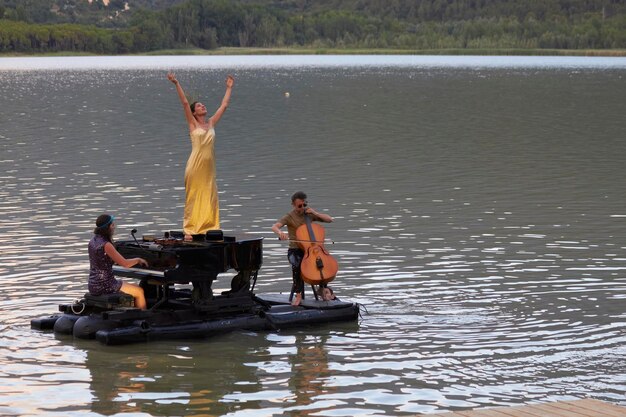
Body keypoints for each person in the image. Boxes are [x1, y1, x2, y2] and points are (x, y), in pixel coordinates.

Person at [167, 72, 234, 240]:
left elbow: (224, 105)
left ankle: (209, 227)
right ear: (194, 112)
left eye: (203, 105)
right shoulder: (192, 124)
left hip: (209, 168)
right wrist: (176, 83)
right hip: (195, 166)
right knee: (194, 195)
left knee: (210, 195)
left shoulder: (211, 123)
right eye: (199, 106)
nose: (203, 106)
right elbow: (184, 103)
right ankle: (190, 229)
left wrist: (229, 88)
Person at [271, 191, 334, 306]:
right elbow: (274, 226)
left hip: (311, 249)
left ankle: (322, 289)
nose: (302, 208)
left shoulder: (309, 213)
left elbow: (330, 219)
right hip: (295, 249)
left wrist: (315, 213)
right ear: (293, 205)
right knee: (298, 264)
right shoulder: (289, 217)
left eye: (304, 205)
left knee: (321, 263)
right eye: (299, 206)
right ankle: (298, 294)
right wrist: (280, 233)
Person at [88, 214, 148, 310]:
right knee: (139, 291)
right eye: (112, 225)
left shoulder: (92, 241)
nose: (114, 227)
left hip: (93, 284)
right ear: (107, 228)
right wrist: (138, 259)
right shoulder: (106, 244)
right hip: (106, 285)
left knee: (135, 286)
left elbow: (102, 260)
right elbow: (125, 264)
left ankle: (133, 313)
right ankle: (144, 319)